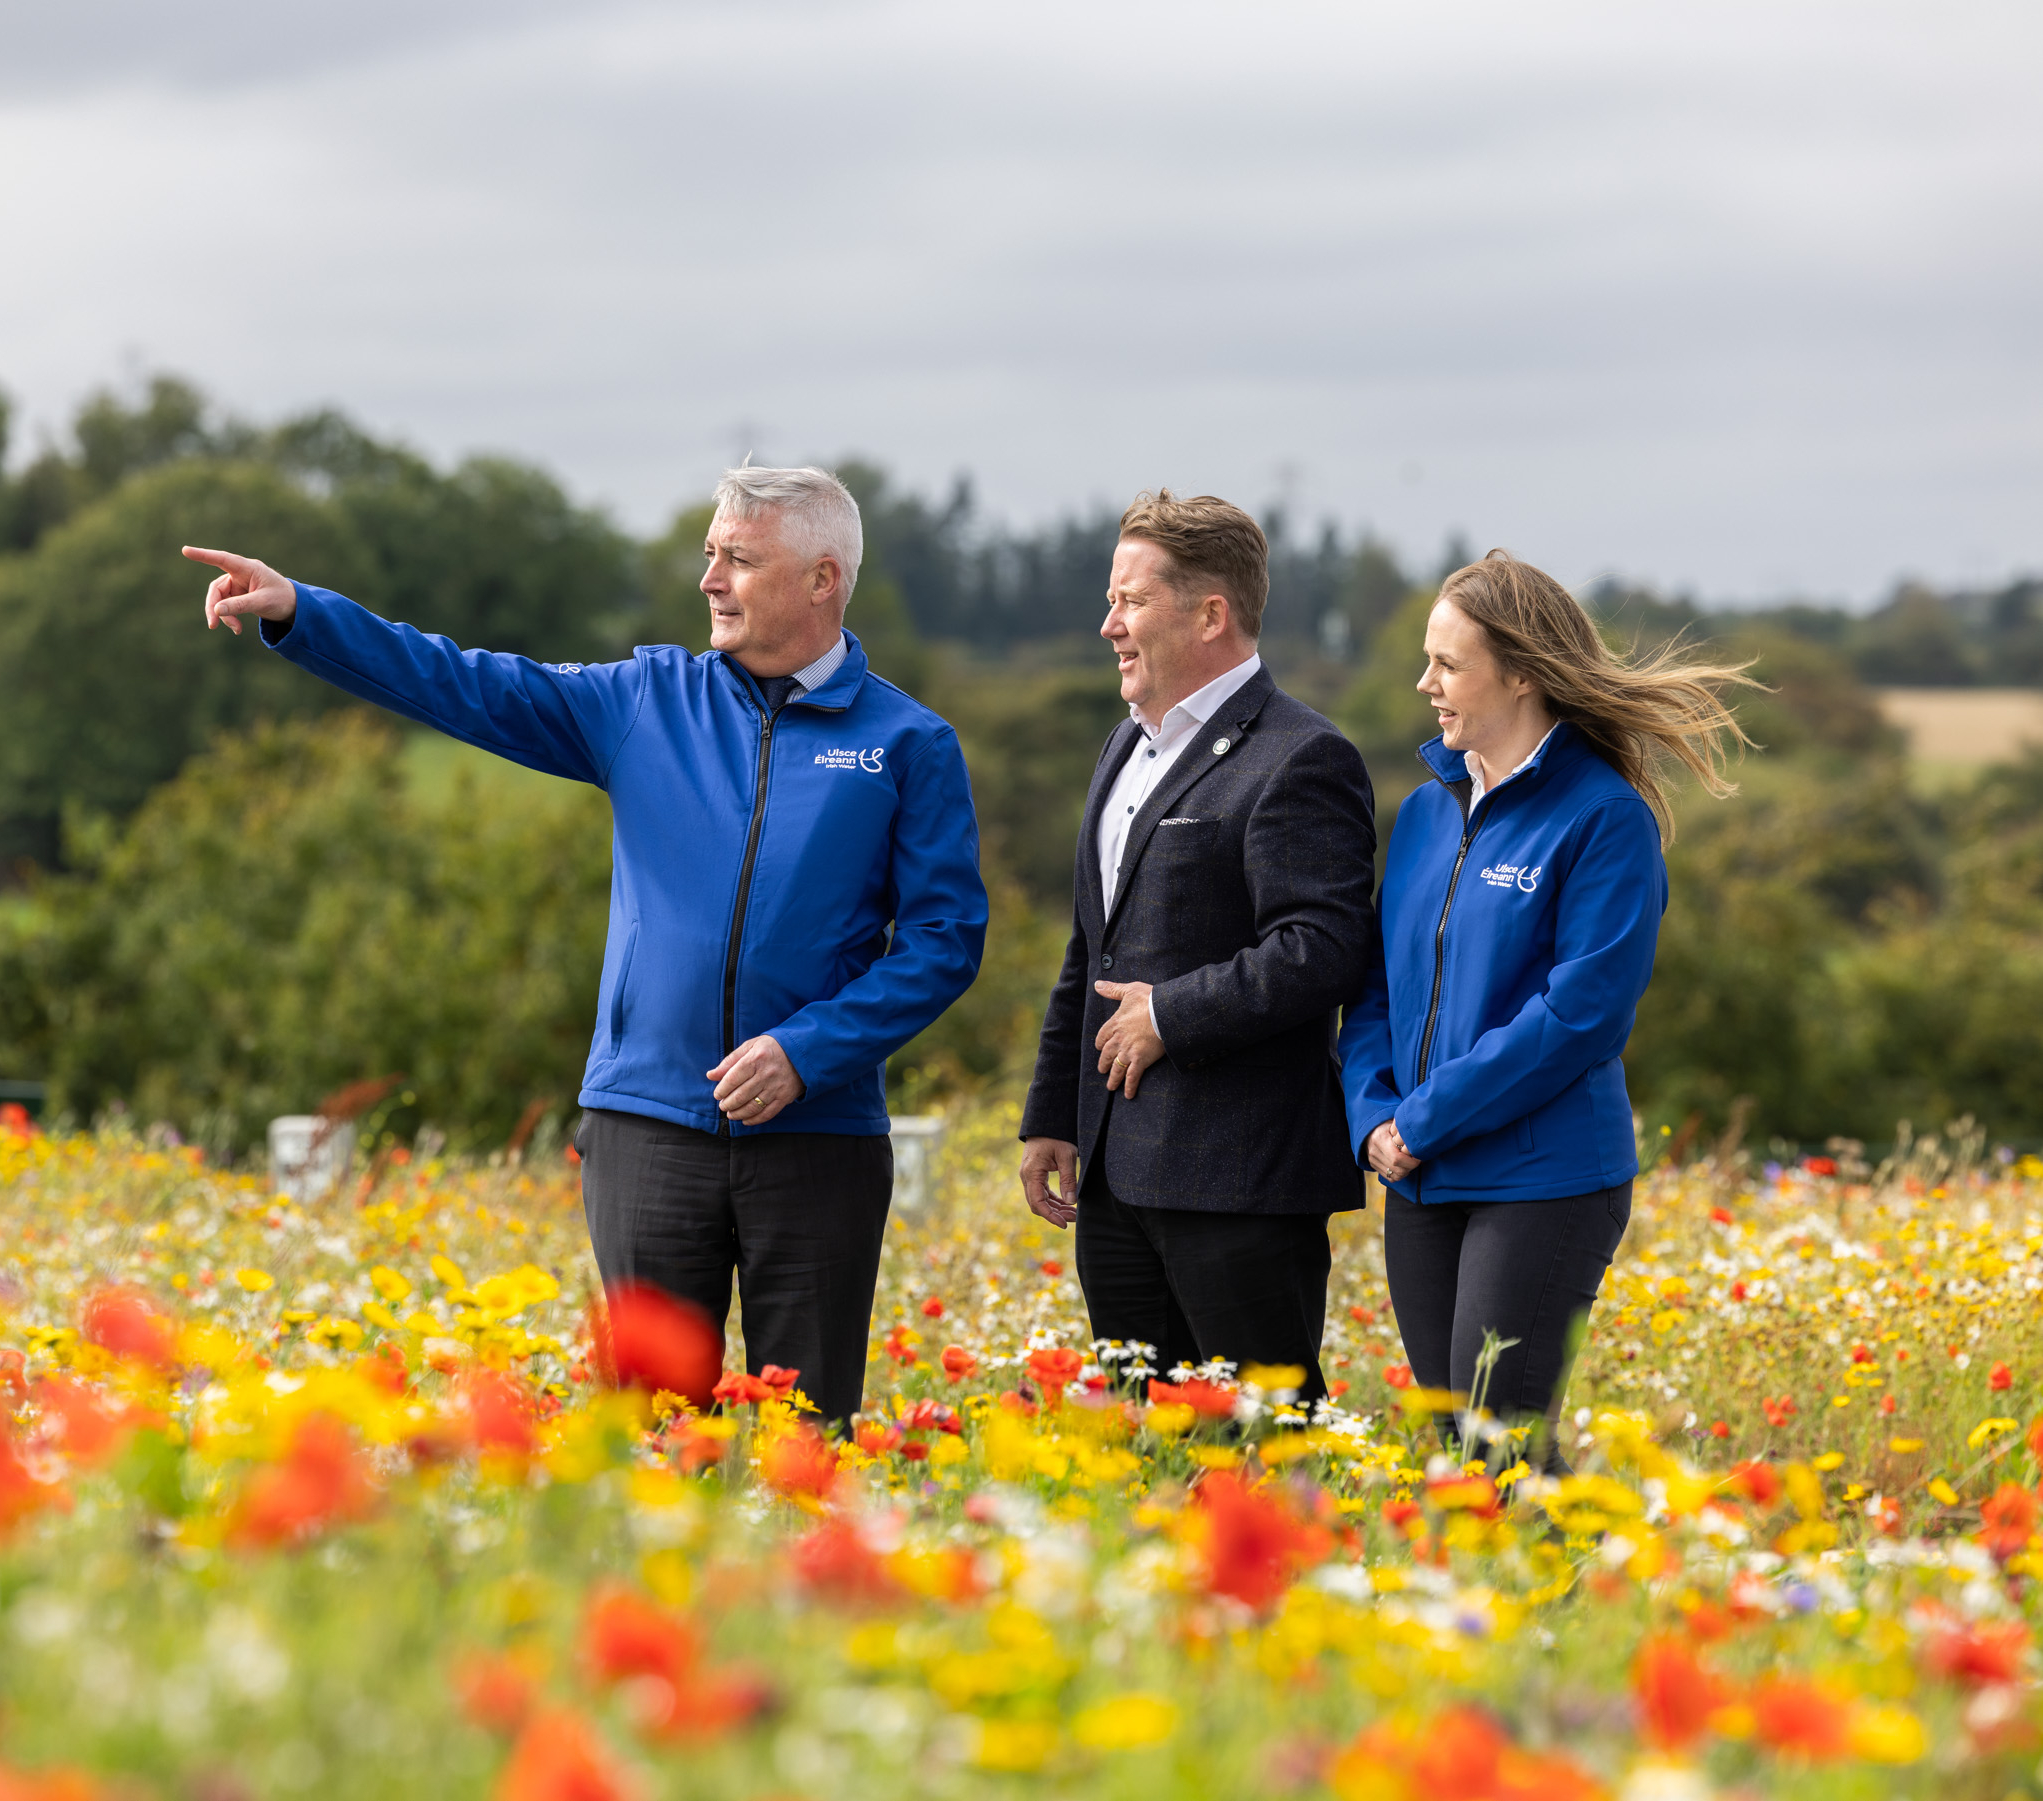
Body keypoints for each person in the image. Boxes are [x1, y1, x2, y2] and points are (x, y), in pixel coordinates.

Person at [185, 465, 987, 1424]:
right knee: (651, 1439)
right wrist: (303, 613)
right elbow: (464, 683)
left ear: (823, 579)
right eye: (710, 554)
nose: (709, 579)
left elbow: (943, 942)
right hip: (646, 1129)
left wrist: (806, 1052)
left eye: (739, 558)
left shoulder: (909, 742)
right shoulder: (647, 698)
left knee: (809, 1442)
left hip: (819, 1141)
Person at [1340, 550, 1751, 1465]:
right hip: (1417, 1174)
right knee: (1456, 1448)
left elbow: (1581, 1015)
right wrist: (1371, 1116)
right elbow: (1373, 988)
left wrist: (1423, 1118)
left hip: (1543, 1177)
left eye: (1447, 664)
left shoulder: (1605, 818)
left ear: (1521, 672)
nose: (1425, 684)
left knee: (1500, 1444)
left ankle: (1599, 1559)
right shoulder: (1425, 813)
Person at [1016, 491, 1379, 1400]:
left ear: (1210, 614)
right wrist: (1052, 1112)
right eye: (1112, 600)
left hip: (1238, 1183)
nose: (1109, 625)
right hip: (1114, 1177)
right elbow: (1091, 950)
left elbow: (1323, 946)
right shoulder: (1121, 748)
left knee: (1265, 1443)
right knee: (1143, 1449)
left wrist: (1170, 1015)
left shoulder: (1302, 755)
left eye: (1131, 601)